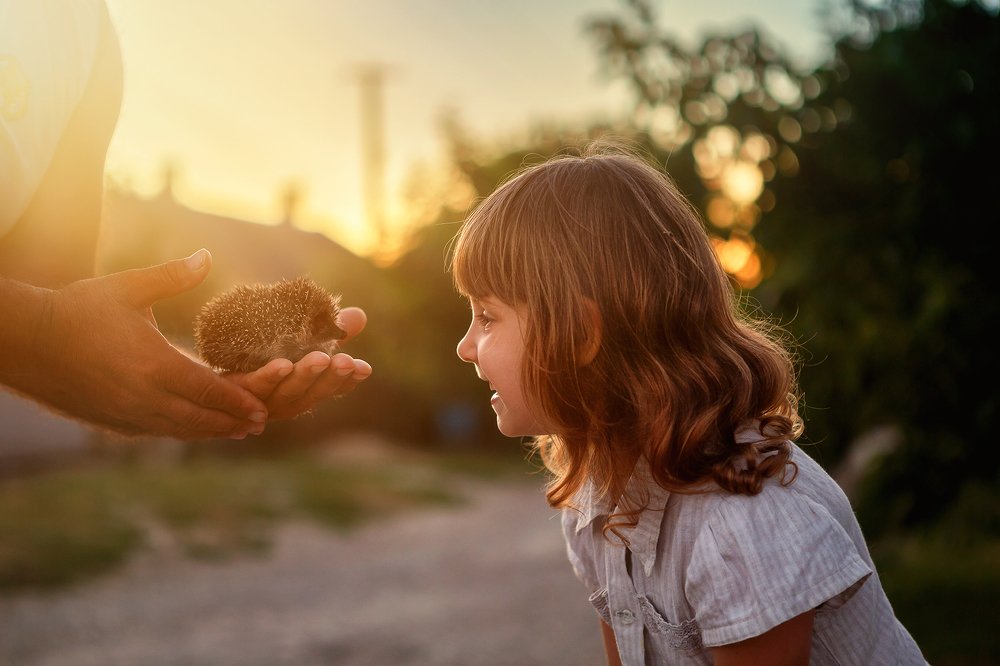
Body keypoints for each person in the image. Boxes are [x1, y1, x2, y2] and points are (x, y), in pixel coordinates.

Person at [451, 144, 926, 665]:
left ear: (582, 335)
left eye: (487, 317)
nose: (465, 346)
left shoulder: (737, 523)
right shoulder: (598, 499)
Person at [0, 0, 370, 440]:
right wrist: (41, 333)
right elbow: (44, 323)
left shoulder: (87, 36)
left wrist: (179, 380)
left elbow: (50, 293)